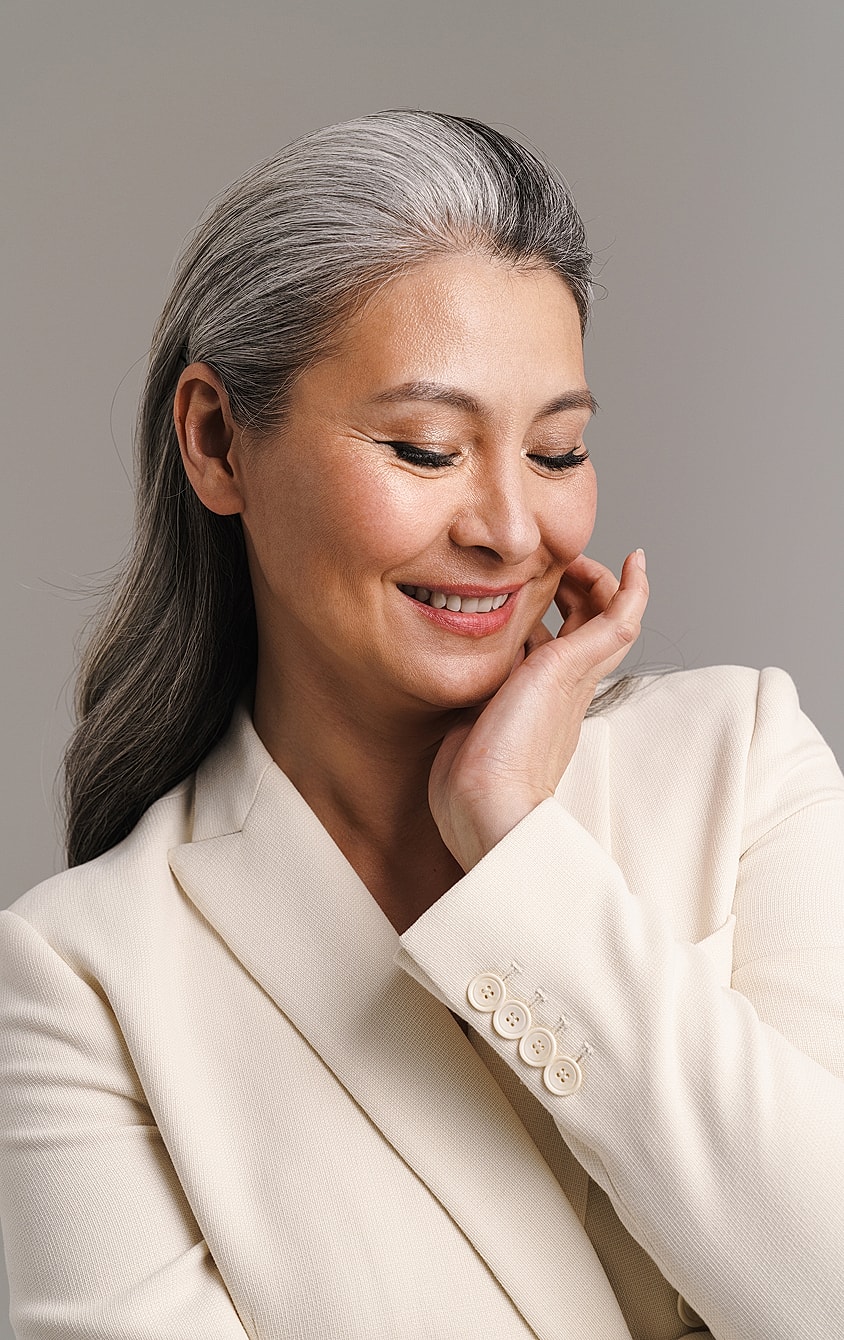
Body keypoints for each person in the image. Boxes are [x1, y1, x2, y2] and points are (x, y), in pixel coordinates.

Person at [1, 110, 842, 1340]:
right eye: (425, 447)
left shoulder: (741, 761)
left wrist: (517, 851)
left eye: (558, 451)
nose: (511, 527)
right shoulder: (83, 977)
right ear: (217, 439)